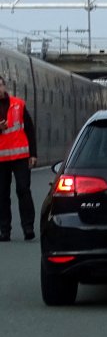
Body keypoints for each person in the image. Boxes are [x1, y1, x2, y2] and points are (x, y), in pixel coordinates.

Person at [0, 76, 37, 242]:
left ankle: (28, 228)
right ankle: (4, 231)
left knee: (23, 190)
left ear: (4, 86)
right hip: (1, 159)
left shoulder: (18, 104)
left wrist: (33, 154)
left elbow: (29, 129)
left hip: (21, 156)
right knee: (2, 194)